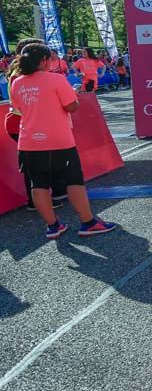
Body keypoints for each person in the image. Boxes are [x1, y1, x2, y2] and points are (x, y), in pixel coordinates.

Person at [10, 43, 117, 240]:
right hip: (58, 139)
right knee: (73, 180)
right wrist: (73, 96)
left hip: (29, 141)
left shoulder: (17, 82)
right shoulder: (56, 79)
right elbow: (71, 107)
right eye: (49, 58)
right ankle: (88, 222)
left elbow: (18, 109)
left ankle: (52, 226)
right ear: (43, 60)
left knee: (38, 184)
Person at [6, 38, 68, 211]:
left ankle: (51, 193)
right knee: (34, 164)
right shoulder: (20, 76)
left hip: (24, 119)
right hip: (21, 120)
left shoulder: (23, 73)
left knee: (41, 160)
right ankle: (35, 201)